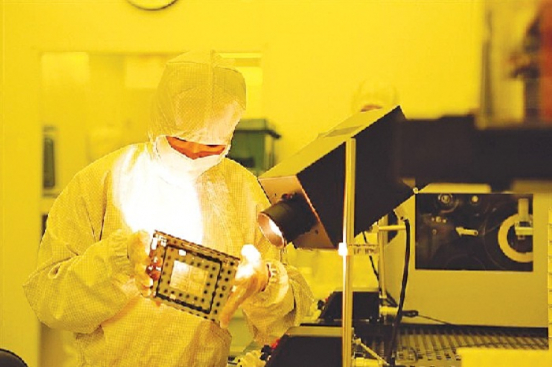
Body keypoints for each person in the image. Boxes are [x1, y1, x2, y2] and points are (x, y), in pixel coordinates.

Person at [23, 50, 313, 367]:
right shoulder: (102, 181)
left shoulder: (242, 192)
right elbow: (51, 300)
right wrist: (119, 262)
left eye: (210, 148)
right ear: (161, 121)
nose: (192, 156)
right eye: (180, 142)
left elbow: (285, 322)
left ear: (229, 136)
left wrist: (263, 282)